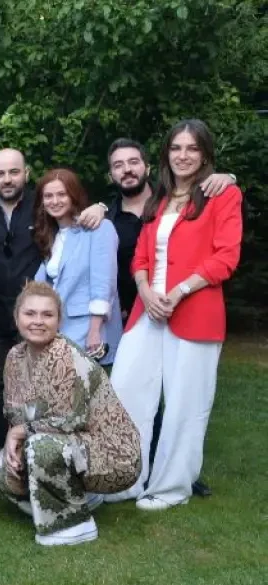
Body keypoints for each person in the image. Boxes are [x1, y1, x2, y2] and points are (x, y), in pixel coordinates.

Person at [75, 139, 236, 497]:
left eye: (192, 149)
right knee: (125, 389)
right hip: (146, 310)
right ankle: (125, 480)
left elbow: (226, 257)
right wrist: (146, 293)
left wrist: (178, 292)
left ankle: (171, 487)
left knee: (185, 404)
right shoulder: (159, 201)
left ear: (204, 156)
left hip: (194, 308)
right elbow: (141, 258)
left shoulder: (221, 195)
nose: (183, 155)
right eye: (176, 148)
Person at [0, 282, 141, 545]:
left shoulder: (65, 356)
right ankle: (76, 499)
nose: (38, 321)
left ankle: (75, 525)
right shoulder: (14, 357)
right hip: (67, 444)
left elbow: (68, 421)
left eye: (47, 314)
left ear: (59, 321)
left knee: (41, 447)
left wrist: (19, 433)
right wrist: (13, 442)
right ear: (17, 318)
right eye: (30, 313)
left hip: (113, 454)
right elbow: (16, 413)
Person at [0, 148, 42, 461]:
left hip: (35, 315)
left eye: (14, 172)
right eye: (0, 173)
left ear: (26, 173)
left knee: (36, 383)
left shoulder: (43, 206)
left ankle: (35, 449)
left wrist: (99, 206)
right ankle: (3, 449)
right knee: (2, 384)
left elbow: (77, 216)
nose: (7, 179)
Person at [31, 168, 122, 364]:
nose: (55, 201)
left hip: (87, 329)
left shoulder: (99, 228)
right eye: (48, 196)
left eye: (61, 194)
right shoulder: (52, 234)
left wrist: (95, 331)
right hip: (60, 327)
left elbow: (104, 283)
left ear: (73, 195)